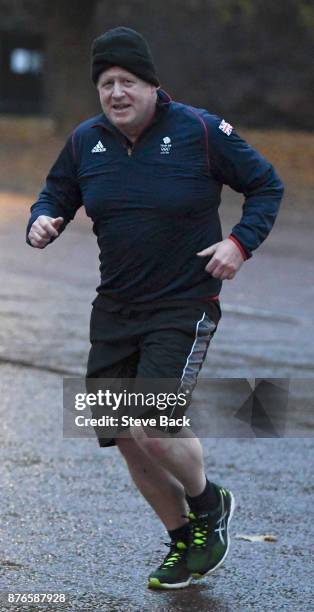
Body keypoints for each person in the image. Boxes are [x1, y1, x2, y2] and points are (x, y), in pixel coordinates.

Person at [26, 26, 284, 590]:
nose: (116, 93)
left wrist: (239, 244)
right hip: (116, 308)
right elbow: (55, 195)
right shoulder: (85, 142)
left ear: (151, 85)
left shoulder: (200, 130)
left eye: (128, 82)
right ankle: (182, 540)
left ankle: (209, 503)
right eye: (106, 84)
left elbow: (266, 184)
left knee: (151, 422)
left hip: (183, 303)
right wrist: (42, 220)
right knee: (122, 434)